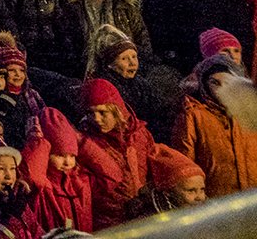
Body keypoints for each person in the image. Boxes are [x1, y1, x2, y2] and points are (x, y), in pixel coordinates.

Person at [170, 52, 257, 198]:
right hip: (216, 201)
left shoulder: (250, 110)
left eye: (228, 82)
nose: (220, 89)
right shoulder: (193, 115)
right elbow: (185, 162)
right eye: (215, 82)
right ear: (205, 84)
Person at [77, 78, 155, 230]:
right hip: (108, 221)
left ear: (116, 110)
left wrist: (146, 196)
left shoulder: (139, 134)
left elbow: (153, 168)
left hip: (142, 215)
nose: (97, 119)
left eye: (102, 112)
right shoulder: (87, 143)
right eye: (90, 113)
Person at [20, 107, 93, 234]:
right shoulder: (45, 186)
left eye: (72, 156)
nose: (67, 162)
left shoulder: (80, 181)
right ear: (46, 153)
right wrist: (37, 143)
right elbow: (33, 176)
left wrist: (80, 139)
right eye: (59, 155)